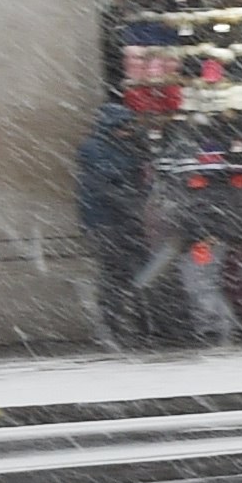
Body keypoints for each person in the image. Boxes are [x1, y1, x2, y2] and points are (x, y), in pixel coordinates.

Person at [75, 101, 152, 347]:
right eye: (123, 126)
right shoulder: (95, 149)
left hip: (123, 219)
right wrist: (132, 204)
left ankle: (139, 323)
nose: (128, 130)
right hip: (105, 221)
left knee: (135, 269)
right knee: (115, 272)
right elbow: (106, 184)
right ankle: (112, 325)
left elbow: (139, 174)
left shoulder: (123, 146)